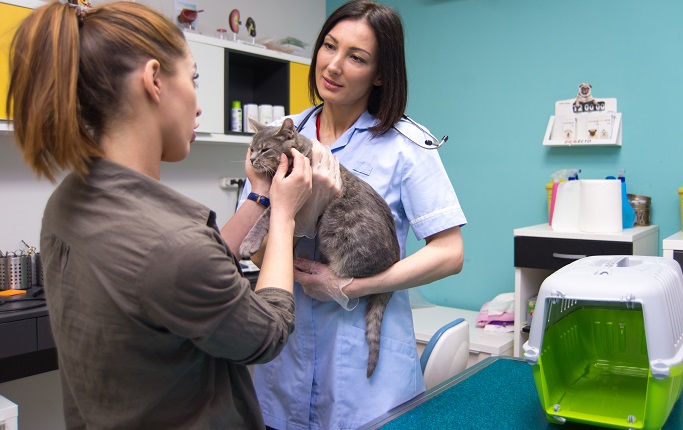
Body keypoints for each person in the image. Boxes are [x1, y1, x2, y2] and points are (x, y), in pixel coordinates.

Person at [6, 1, 337, 428]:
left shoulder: (68, 201)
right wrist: (287, 215)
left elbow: (200, 263)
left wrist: (260, 195)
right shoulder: (172, 241)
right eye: (194, 79)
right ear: (155, 80)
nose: (199, 106)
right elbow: (268, 332)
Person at [239, 1, 467, 428]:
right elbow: (252, 248)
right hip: (283, 370)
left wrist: (350, 285)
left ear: (380, 74)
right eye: (329, 46)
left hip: (365, 379)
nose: (334, 65)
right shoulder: (283, 137)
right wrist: (292, 224)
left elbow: (450, 253)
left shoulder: (407, 145)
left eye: (356, 57)